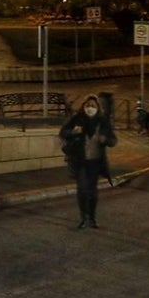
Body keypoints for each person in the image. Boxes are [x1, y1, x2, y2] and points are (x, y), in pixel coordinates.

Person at [59, 93, 116, 230]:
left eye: (93, 106)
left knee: (93, 192)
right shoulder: (77, 119)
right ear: (83, 106)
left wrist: (105, 140)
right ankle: (83, 218)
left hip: (95, 162)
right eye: (87, 105)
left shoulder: (102, 121)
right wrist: (74, 131)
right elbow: (63, 132)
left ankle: (92, 217)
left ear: (98, 108)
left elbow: (113, 140)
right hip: (81, 161)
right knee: (82, 190)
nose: (90, 108)